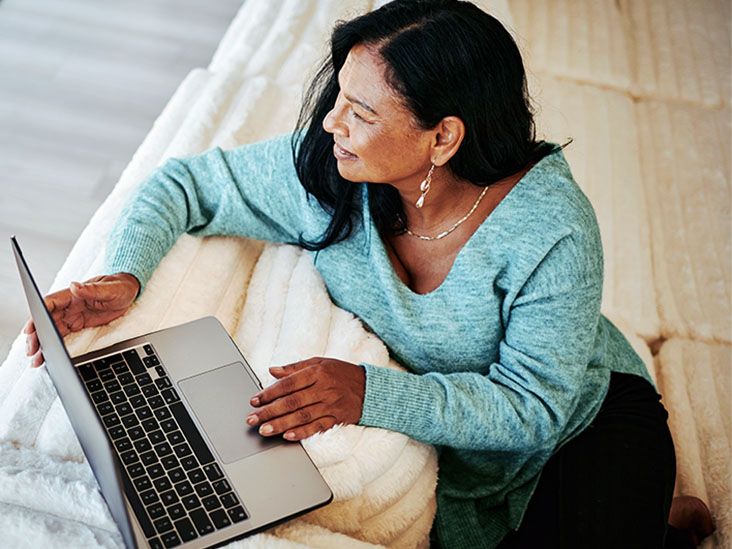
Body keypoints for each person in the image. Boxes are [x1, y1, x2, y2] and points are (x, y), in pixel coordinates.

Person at [24, 1, 715, 547]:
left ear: (442, 137)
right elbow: (185, 185)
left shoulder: (553, 228)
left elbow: (535, 409)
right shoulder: (333, 174)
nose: (331, 122)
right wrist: (124, 277)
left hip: (583, 425)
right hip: (472, 469)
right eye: (339, 98)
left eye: (360, 112)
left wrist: (365, 393)